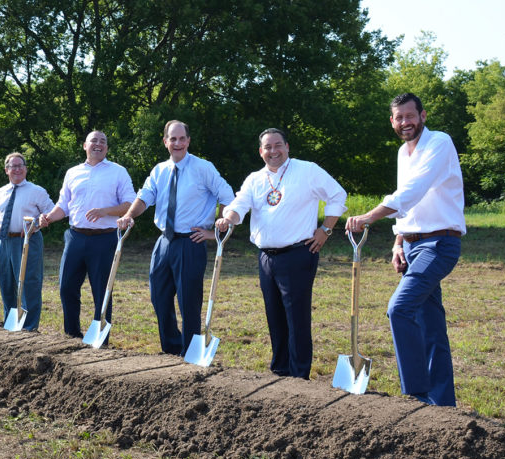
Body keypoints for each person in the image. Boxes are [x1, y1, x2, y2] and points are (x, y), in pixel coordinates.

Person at [345, 93, 466, 406]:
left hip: (440, 243)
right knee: (431, 327)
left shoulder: (439, 142)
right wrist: (398, 240)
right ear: (392, 121)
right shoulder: (403, 152)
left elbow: (415, 189)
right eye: (398, 118)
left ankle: (416, 394)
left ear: (422, 115)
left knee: (399, 309)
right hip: (413, 245)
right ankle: (443, 405)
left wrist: (371, 216)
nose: (404, 123)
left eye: (410, 116)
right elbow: (405, 201)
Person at [215, 128, 347, 379]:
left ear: (287, 146)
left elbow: (337, 195)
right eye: (268, 147)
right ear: (260, 151)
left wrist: (325, 230)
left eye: (278, 145)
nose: (273, 151)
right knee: (274, 316)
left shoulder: (307, 170)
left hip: (298, 254)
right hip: (266, 257)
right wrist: (227, 219)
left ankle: (299, 375)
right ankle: (280, 370)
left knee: (296, 318)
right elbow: (238, 206)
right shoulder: (255, 178)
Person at [116, 120, 235, 356]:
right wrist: (129, 215)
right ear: (165, 142)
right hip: (164, 242)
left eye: (182, 139)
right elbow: (144, 197)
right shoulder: (159, 170)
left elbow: (228, 197)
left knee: (188, 301)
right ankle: (171, 347)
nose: (177, 143)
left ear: (188, 141)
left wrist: (216, 232)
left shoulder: (203, 168)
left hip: (191, 242)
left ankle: (190, 352)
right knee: (158, 296)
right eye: (173, 139)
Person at [38, 131, 136, 342]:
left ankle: (100, 340)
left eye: (103, 142)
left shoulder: (118, 172)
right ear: (85, 145)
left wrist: (105, 211)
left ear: (107, 148)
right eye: (94, 141)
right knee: (66, 287)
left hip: (105, 239)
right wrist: (48, 218)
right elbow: (63, 206)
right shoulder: (72, 173)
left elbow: (130, 204)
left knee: (102, 291)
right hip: (75, 238)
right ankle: (72, 335)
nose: (98, 144)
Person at [0, 152, 54, 332]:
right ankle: (11, 323)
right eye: (13, 166)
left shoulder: (37, 191)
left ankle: (29, 328)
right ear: (6, 170)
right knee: (6, 282)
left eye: (20, 165)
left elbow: (50, 212)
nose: (17, 169)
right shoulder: (0, 192)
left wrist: (42, 221)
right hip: (4, 242)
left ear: (26, 169)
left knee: (28, 283)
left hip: (28, 241)